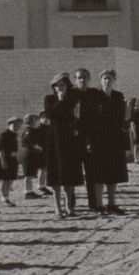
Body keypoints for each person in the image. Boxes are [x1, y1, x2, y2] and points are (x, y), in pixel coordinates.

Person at [44, 72, 84, 218]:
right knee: (55, 176)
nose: (60, 88)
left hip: (69, 140)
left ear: (67, 86)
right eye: (57, 86)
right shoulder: (49, 99)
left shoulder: (73, 100)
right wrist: (60, 100)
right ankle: (57, 208)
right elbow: (51, 115)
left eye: (63, 85)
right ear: (53, 88)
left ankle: (69, 206)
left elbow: (75, 117)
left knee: (69, 174)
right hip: (54, 141)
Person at [94, 69, 128, 215]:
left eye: (110, 79)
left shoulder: (118, 96)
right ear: (100, 80)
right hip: (99, 139)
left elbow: (122, 118)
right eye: (104, 78)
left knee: (114, 173)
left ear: (114, 80)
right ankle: (99, 205)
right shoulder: (95, 96)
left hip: (115, 139)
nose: (107, 81)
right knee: (99, 173)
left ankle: (112, 204)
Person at [72, 68, 103, 211]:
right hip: (74, 139)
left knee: (92, 173)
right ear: (75, 80)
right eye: (79, 78)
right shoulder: (71, 94)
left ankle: (93, 204)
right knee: (72, 173)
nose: (82, 80)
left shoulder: (94, 94)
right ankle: (70, 205)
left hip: (91, 138)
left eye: (84, 77)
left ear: (89, 79)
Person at [20, 114, 45, 200]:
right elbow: (30, 141)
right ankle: (28, 192)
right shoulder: (28, 131)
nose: (38, 121)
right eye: (36, 120)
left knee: (31, 173)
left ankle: (30, 191)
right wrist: (37, 147)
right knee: (28, 174)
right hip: (28, 154)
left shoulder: (34, 130)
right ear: (31, 121)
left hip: (33, 154)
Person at [0, 117, 22, 208]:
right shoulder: (4, 135)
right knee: (6, 179)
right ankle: (4, 197)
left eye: (18, 125)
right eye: (15, 125)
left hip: (13, 159)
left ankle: (6, 196)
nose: (17, 127)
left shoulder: (14, 135)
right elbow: (1, 150)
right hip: (6, 159)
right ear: (9, 124)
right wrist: (3, 161)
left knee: (11, 178)